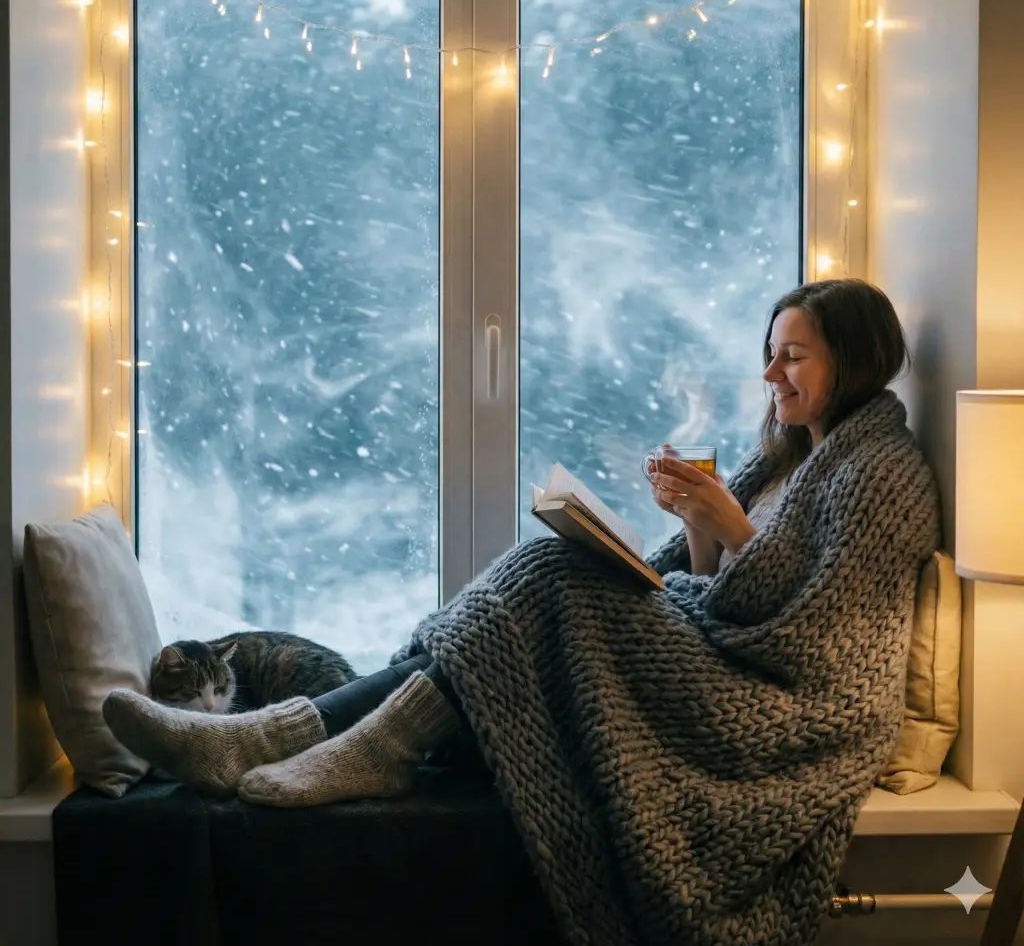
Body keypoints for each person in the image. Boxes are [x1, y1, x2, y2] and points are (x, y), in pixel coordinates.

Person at [103, 276, 936, 812]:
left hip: (776, 706)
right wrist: (694, 521)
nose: (770, 375)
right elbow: (718, 581)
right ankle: (288, 735)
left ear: (853, 359)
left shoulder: (880, 472)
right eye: (768, 355)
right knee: (548, 571)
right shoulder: (793, 452)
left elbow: (807, 633)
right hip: (723, 651)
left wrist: (725, 523)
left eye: (791, 356)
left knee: (548, 576)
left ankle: (311, 738)